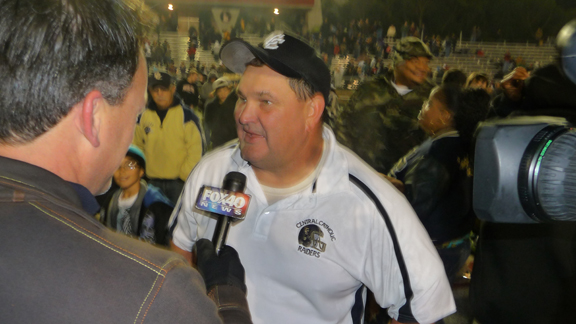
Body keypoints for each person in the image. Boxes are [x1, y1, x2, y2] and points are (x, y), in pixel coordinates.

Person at [170, 30, 455, 324]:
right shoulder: (211, 171)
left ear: (312, 110)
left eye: (265, 102)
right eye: (242, 97)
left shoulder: (369, 204)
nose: (243, 115)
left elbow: (422, 310)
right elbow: (179, 256)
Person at [0, 0, 251, 323]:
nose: (132, 136)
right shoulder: (157, 289)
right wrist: (226, 300)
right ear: (94, 117)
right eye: (135, 116)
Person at [470, 19, 576, 324]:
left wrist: (505, 104)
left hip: (500, 293)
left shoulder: (513, 119)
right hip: (557, 301)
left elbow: (476, 163)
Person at [389, 86, 490, 284]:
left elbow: (414, 203)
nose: (423, 107)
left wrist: (388, 186)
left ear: (444, 116)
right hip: (452, 247)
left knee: (414, 311)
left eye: (429, 103)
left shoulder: (439, 152)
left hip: (433, 251)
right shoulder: (459, 143)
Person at [335, 37, 434, 174]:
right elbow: (343, 128)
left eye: (426, 63)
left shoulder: (432, 98)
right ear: (398, 60)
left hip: (408, 185)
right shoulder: (369, 90)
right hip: (365, 178)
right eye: (415, 61)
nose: (423, 68)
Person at [133, 72, 205, 204]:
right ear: (150, 91)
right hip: (151, 182)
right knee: (151, 222)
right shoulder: (143, 116)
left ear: (172, 89)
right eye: (155, 90)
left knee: (177, 222)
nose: (159, 93)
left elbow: (196, 150)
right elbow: (136, 146)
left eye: (164, 89)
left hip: (178, 183)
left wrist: (183, 175)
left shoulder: (187, 116)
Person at [97, 145, 174, 246]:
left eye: (130, 165)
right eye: (117, 166)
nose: (122, 171)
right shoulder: (110, 200)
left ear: (141, 171)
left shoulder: (156, 204)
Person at [203, 77, 238, 150]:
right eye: (220, 91)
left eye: (225, 90)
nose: (223, 94)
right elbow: (210, 123)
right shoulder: (211, 107)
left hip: (235, 143)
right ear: (216, 93)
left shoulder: (237, 105)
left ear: (230, 90)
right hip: (218, 143)